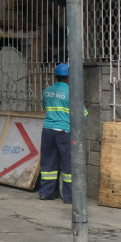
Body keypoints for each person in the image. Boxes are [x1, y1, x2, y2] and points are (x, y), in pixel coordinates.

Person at [39, 63, 84, 203]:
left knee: (48, 164)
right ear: (69, 77)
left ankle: (46, 192)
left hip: (47, 130)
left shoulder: (47, 91)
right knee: (68, 164)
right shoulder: (72, 92)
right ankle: (69, 197)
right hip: (64, 131)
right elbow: (83, 114)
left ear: (56, 76)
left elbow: (44, 107)